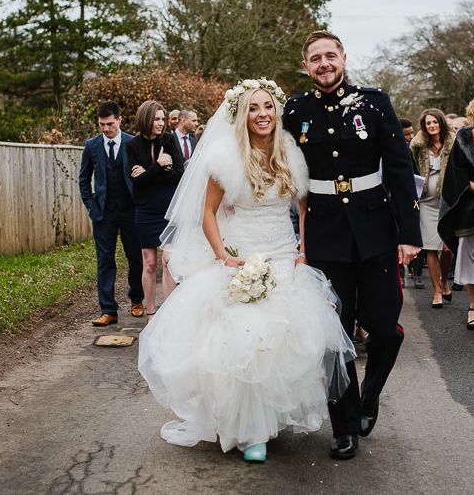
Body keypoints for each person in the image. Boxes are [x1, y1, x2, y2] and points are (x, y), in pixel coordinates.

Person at [138, 80, 355, 462]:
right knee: (244, 343)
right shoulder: (226, 158)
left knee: (284, 342)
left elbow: (304, 209)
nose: (262, 114)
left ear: (277, 111)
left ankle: (268, 420)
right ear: (242, 114)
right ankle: (249, 430)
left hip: (284, 255)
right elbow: (207, 214)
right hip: (242, 256)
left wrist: (304, 251)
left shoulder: (290, 152)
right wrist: (224, 256)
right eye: (254, 108)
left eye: (268, 107)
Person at [283, 30, 422, 460]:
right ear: (306, 66)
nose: (324, 64)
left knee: (384, 328)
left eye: (330, 55)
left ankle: (370, 394)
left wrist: (409, 234)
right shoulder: (295, 110)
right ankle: (343, 426)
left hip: (375, 229)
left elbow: (399, 170)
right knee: (333, 335)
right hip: (324, 236)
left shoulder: (375, 102)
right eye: (315, 58)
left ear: (343, 57)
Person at [78, 102, 144, 326]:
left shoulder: (133, 142)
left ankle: (136, 299)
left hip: (130, 210)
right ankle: (108, 310)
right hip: (103, 212)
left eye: (110, 124)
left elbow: (143, 174)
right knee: (105, 260)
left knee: (135, 257)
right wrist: (90, 205)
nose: (106, 129)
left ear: (119, 120)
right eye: (102, 125)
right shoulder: (91, 145)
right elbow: (83, 179)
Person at [438, 96, 474, 330]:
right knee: (471, 258)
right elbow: (455, 171)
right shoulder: (463, 138)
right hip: (470, 207)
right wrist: (471, 186)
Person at [126, 101, 184, 316]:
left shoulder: (169, 140)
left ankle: (168, 314)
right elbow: (137, 184)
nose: (161, 123)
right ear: (146, 120)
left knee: (168, 261)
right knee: (149, 264)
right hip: (145, 211)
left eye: (162, 118)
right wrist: (159, 166)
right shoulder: (132, 146)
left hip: (169, 210)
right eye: (156, 119)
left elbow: (179, 174)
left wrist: (148, 173)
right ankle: (150, 313)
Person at [410, 108, 456, 308]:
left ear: (441, 123)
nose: (431, 125)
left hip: (447, 200)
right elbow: (410, 169)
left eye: (434, 122)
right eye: (428, 123)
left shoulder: (453, 143)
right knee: (430, 247)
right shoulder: (417, 146)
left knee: (446, 249)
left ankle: (445, 281)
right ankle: (437, 291)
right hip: (426, 200)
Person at [399, 117, 425, 290]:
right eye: (406, 134)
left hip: (414, 196)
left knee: (416, 236)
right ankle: (399, 274)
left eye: (411, 133)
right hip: (395, 199)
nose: (410, 137)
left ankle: (416, 274)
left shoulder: (412, 150)